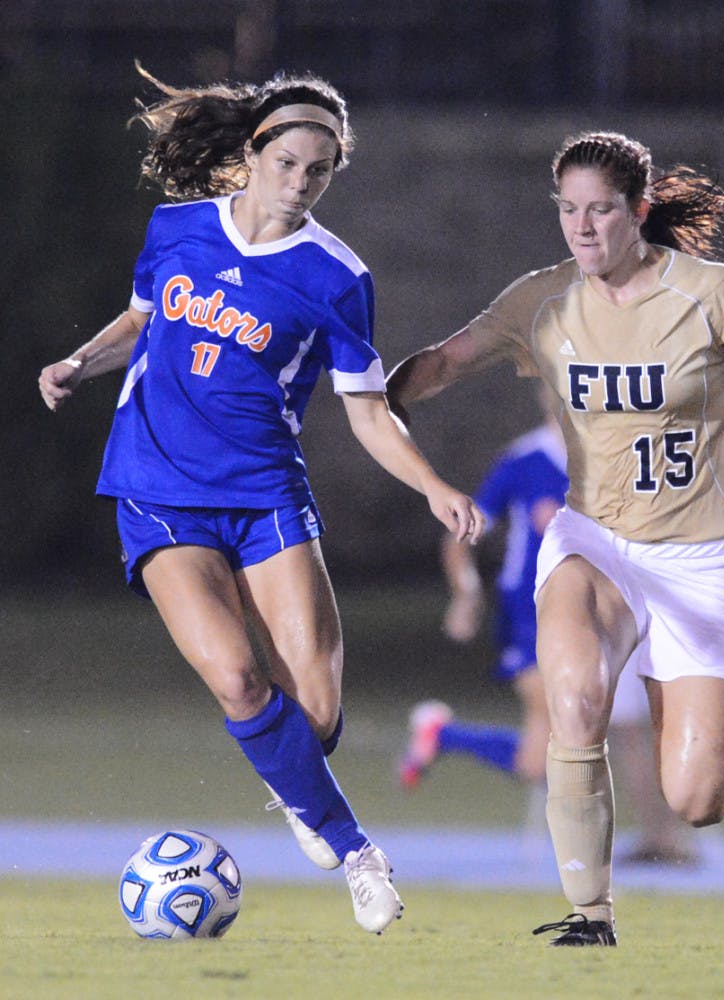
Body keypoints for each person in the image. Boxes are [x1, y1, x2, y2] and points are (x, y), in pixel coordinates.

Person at [37, 65, 484, 935]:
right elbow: (140, 320)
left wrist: (432, 485)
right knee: (239, 677)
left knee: (314, 718)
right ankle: (358, 852)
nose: (300, 182)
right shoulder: (175, 229)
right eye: (286, 162)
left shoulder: (335, 276)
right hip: (157, 486)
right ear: (250, 154)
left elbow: (366, 409)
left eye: (319, 170)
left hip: (265, 491)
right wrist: (76, 363)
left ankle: (296, 787)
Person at [386, 129, 724, 946]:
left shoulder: (713, 292)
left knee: (697, 799)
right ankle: (592, 914)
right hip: (595, 543)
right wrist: (373, 396)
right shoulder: (543, 299)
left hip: (700, 558)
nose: (582, 228)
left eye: (600, 211)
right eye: (568, 211)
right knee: (576, 705)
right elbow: (444, 364)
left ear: (640, 210)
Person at [400, 383, 697, 866]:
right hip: (531, 616)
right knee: (578, 730)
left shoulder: (621, 458)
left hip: (607, 615)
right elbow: (460, 533)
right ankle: (591, 858)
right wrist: (467, 592)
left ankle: (658, 841)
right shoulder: (523, 462)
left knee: (561, 753)